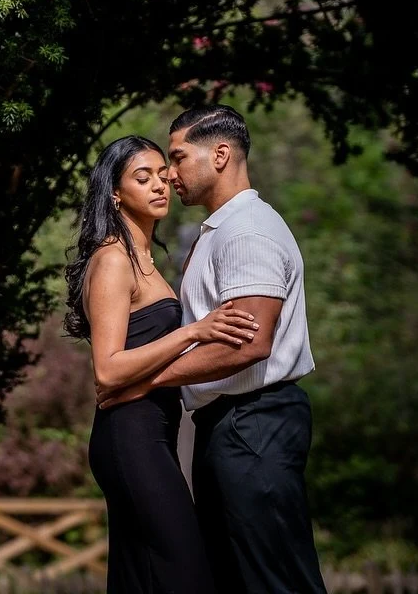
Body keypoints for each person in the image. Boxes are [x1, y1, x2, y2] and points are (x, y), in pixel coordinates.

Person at [97, 106, 328, 594]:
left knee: (273, 578)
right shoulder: (216, 234)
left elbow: (249, 342)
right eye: (157, 171)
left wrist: (146, 381)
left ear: (220, 154)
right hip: (226, 427)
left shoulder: (246, 231)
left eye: (177, 159)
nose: (171, 175)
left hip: (254, 424)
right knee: (235, 577)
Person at [67, 135, 260, 593]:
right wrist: (193, 331)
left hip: (155, 433)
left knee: (144, 579)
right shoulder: (114, 259)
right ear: (115, 193)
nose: (160, 185)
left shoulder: (148, 261)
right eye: (142, 177)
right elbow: (108, 370)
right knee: (186, 574)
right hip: (128, 436)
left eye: (162, 174)